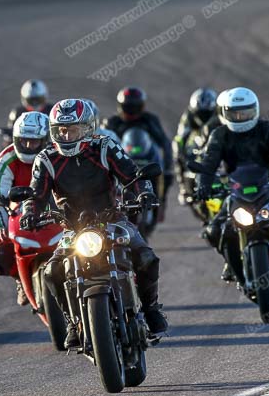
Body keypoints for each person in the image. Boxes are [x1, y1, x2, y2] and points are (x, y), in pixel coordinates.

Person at [21, 99, 168, 348]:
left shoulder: (105, 146)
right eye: (61, 131)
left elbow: (132, 175)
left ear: (88, 128)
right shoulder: (46, 158)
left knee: (146, 257)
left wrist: (144, 192)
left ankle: (151, 309)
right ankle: (71, 322)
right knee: (51, 271)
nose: (67, 136)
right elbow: (36, 195)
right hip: (71, 228)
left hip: (112, 218)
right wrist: (29, 212)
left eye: (73, 130)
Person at [193, 87, 269, 282]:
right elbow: (209, 162)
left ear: (255, 110)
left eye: (245, 112)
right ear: (224, 113)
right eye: (235, 113)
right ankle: (231, 262)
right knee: (213, 231)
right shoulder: (219, 135)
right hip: (235, 190)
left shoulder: (267, 129)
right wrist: (203, 185)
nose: (240, 117)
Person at [0, 111, 51, 305]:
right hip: (17, 210)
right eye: (24, 141)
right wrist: (1, 228)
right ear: (16, 139)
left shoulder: (55, 154)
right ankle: (20, 280)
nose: (29, 146)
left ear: (45, 139)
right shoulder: (5, 160)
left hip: (53, 204)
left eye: (35, 142)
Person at [102, 86, 173, 216]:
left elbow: (165, 142)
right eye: (129, 106)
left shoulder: (149, 120)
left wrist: (168, 166)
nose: (132, 110)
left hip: (148, 158)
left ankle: (161, 202)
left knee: (166, 177)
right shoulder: (113, 122)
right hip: (122, 160)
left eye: (135, 106)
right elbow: (101, 141)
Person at [173, 87, 221, 204]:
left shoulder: (219, 113)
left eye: (206, 113)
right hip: (195, 139)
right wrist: (182, 152)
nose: (203, 116)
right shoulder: (188, 115)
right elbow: (181, 135)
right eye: (200, 113)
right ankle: (183, 187)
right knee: (176, 145)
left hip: (214, 137)